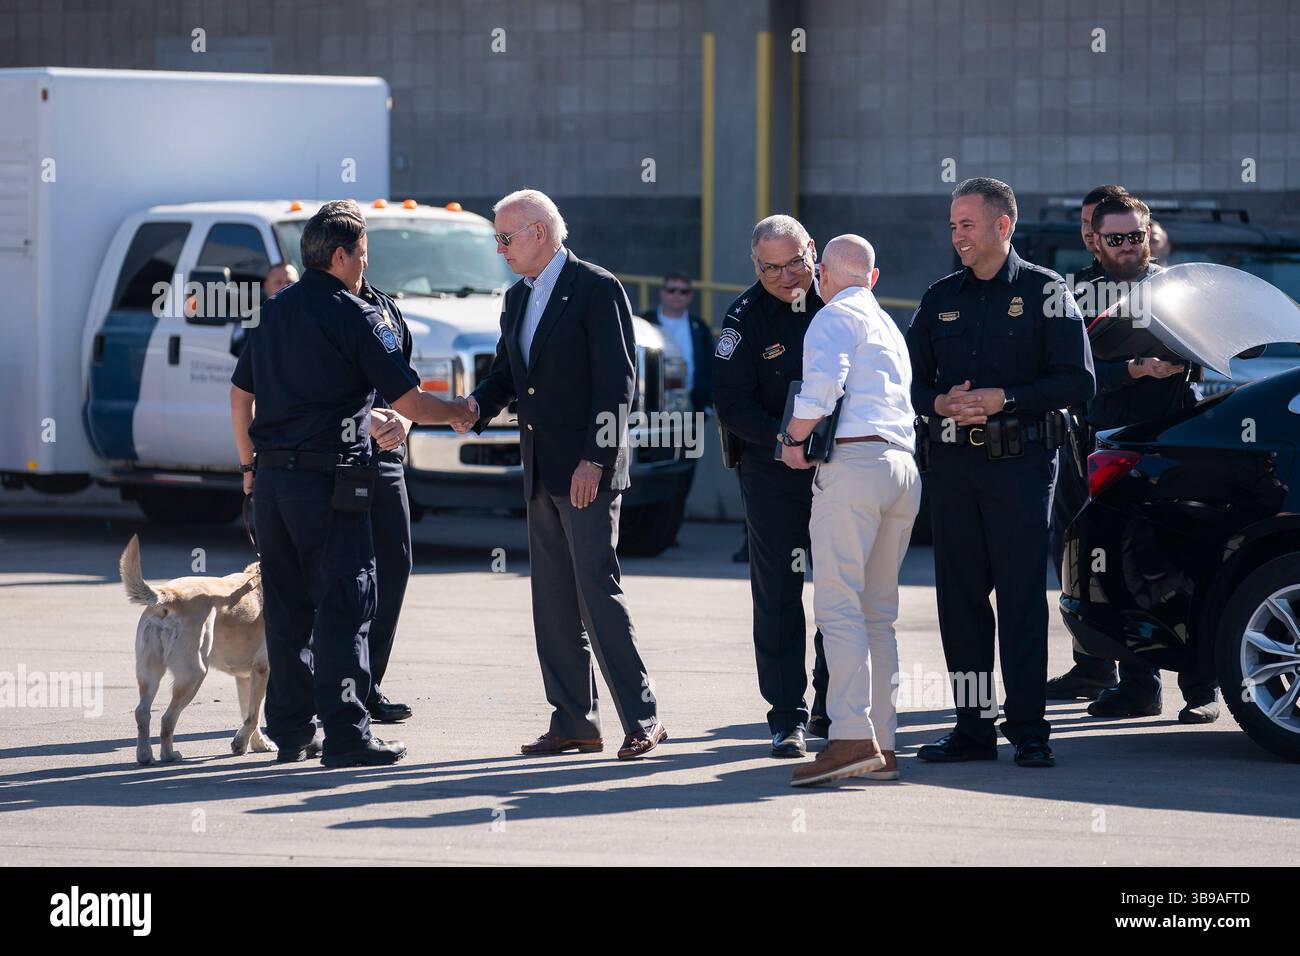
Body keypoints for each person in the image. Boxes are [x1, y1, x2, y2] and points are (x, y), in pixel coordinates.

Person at [230, 201, 475, 768]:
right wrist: (462, 409)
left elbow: (240, 394)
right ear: (340, 257)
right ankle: (345, 735)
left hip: (272, 485)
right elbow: (410, 402)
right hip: (330, 483)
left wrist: (249, 468)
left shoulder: (273, 312)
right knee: (346, 602)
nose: (365, 266)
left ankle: (290, 731)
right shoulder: (355, 315)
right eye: (362, 256)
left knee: (289, 606)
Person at [458, 189, 668, 760]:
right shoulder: (515, 299)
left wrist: (595, 460)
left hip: (585, 472)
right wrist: (473, 407)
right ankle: (574, 721)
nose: (499, 248)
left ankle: (643, 718)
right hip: (539, 471)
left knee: (597, 594)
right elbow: (507, 375)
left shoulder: (597, 288)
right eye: (496, 238)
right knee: (551, 604)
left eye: (505, 237)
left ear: (539, 233)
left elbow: (617, 384)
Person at [907, 178, 1094, 769]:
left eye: (967, 224)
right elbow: (909, 382)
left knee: (1018, 601)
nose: (958, 235)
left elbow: (1077, 382)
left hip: (1020, 469)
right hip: (953, 468)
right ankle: (971, 729)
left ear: (1002, 226)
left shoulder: (1046, 291)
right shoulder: (940, 298)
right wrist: (938, 404)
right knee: (960, 603)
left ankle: (1030, 730)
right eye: (953, 225)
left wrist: (1003, 399)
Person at [1049, 193, 1219, 723]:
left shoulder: (1179, 289)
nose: (1127, 247)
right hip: (1103, 442)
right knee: (1115, 566)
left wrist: (1196, 345)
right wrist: (1135, 369)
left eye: (1136, 237)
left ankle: (1202, 689)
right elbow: (1065, 375)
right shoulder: (1075, 293)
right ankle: (1136, 685)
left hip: (1172, 439)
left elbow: (1236, 350)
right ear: (1095, 239)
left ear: (1150, 235)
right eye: (1115, 238)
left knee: (1190, 560)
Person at [779, 236, 921, 787]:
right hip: (902, 469)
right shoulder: (888, 326)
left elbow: (821, 388)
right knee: (878, 615)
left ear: (820, 277)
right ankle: (882, 746)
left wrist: (793, 437)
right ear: (874, 276)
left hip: (856, 466)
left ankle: (848, 738)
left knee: (837, 608)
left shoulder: (832, 315)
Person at [713, 214, 830, 758]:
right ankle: (787, 716)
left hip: (841, 467)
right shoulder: (745, 317)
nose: (786, 278)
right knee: (780, 590)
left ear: (813, 250)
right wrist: (784, 440)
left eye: (794, 264)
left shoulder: (842, 299)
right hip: (771, 469)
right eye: (771, 269)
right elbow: (731, 404)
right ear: (755, 266)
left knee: (840, 590)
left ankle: (835, 706)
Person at [359, 274, 417, 724]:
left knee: (394, 566)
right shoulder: (312, 306)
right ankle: (310, 690)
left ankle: (365, 686)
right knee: (333, 575)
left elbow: (406, 385)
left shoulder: (386, 307)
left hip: (386, 459)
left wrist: (403, 420)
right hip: (332, 459)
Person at [640, 272, 714, 543]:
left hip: (689, 413)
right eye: (671, 290)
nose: (676, 295)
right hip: (649, 414)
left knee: (684, 470)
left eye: (683, 291)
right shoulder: (645, 322)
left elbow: (709, 368)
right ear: (662, 292)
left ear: (690, 296)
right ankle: (646, 529)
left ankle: (670, 530)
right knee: (651, 469)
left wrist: (705, 407)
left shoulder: (698, 327)